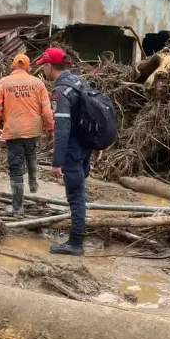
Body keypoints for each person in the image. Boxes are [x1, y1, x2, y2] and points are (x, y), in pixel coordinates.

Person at [36, 47, 100, 256]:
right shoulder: (81, 82)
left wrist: (57, 162)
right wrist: (96, 147)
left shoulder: (61, 91)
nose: (43, 71)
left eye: (43, 67)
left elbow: (62, 128)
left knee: (76, 196)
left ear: (48, 66)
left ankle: (76, 243)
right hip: (85, 145)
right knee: (79, 192)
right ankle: (77, 236)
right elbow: (92, 117)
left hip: (73, 149)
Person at [0, 54, 54, 215]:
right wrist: (50, 128)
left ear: (13, 66)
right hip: (34, 129)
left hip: (14, 130)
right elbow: (46, 109)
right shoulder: (37, 83)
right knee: (31, 153)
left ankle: (17, 207)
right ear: (28, 67)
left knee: (16, 168)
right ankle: (33, 184)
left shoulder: (4, 83)